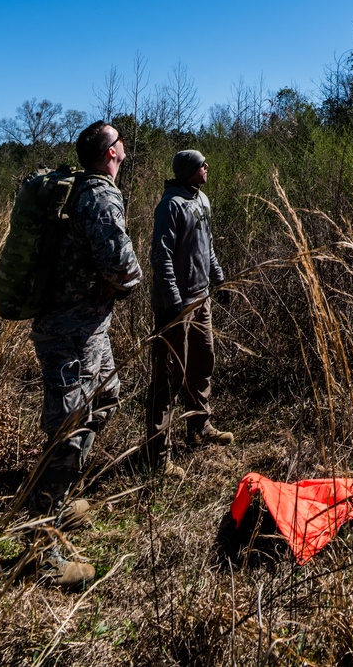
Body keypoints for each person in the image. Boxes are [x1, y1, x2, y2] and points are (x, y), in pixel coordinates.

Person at [29, 121, 142, 581]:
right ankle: (42, 551)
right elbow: (121, 265)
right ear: (110, 154)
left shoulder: (82, 190)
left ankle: (62, 504)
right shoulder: (98, 195)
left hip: (88, 331)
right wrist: (132, 281)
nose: (124, 147)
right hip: (72, 334)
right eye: (120, 142)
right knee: (69, 435)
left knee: (106, 399)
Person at [146, 149, 233, 472]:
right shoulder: (170, 205)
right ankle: (159, 456)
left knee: (202, 361)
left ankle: (200, 427)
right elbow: (161, 255)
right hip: (176, 305)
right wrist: (173, 299)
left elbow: (207, 247)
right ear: (187, 171)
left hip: (201, 299)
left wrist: (218, 280)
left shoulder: (202, 201)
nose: (206, 167)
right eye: (201, 165)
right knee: (169, 376)